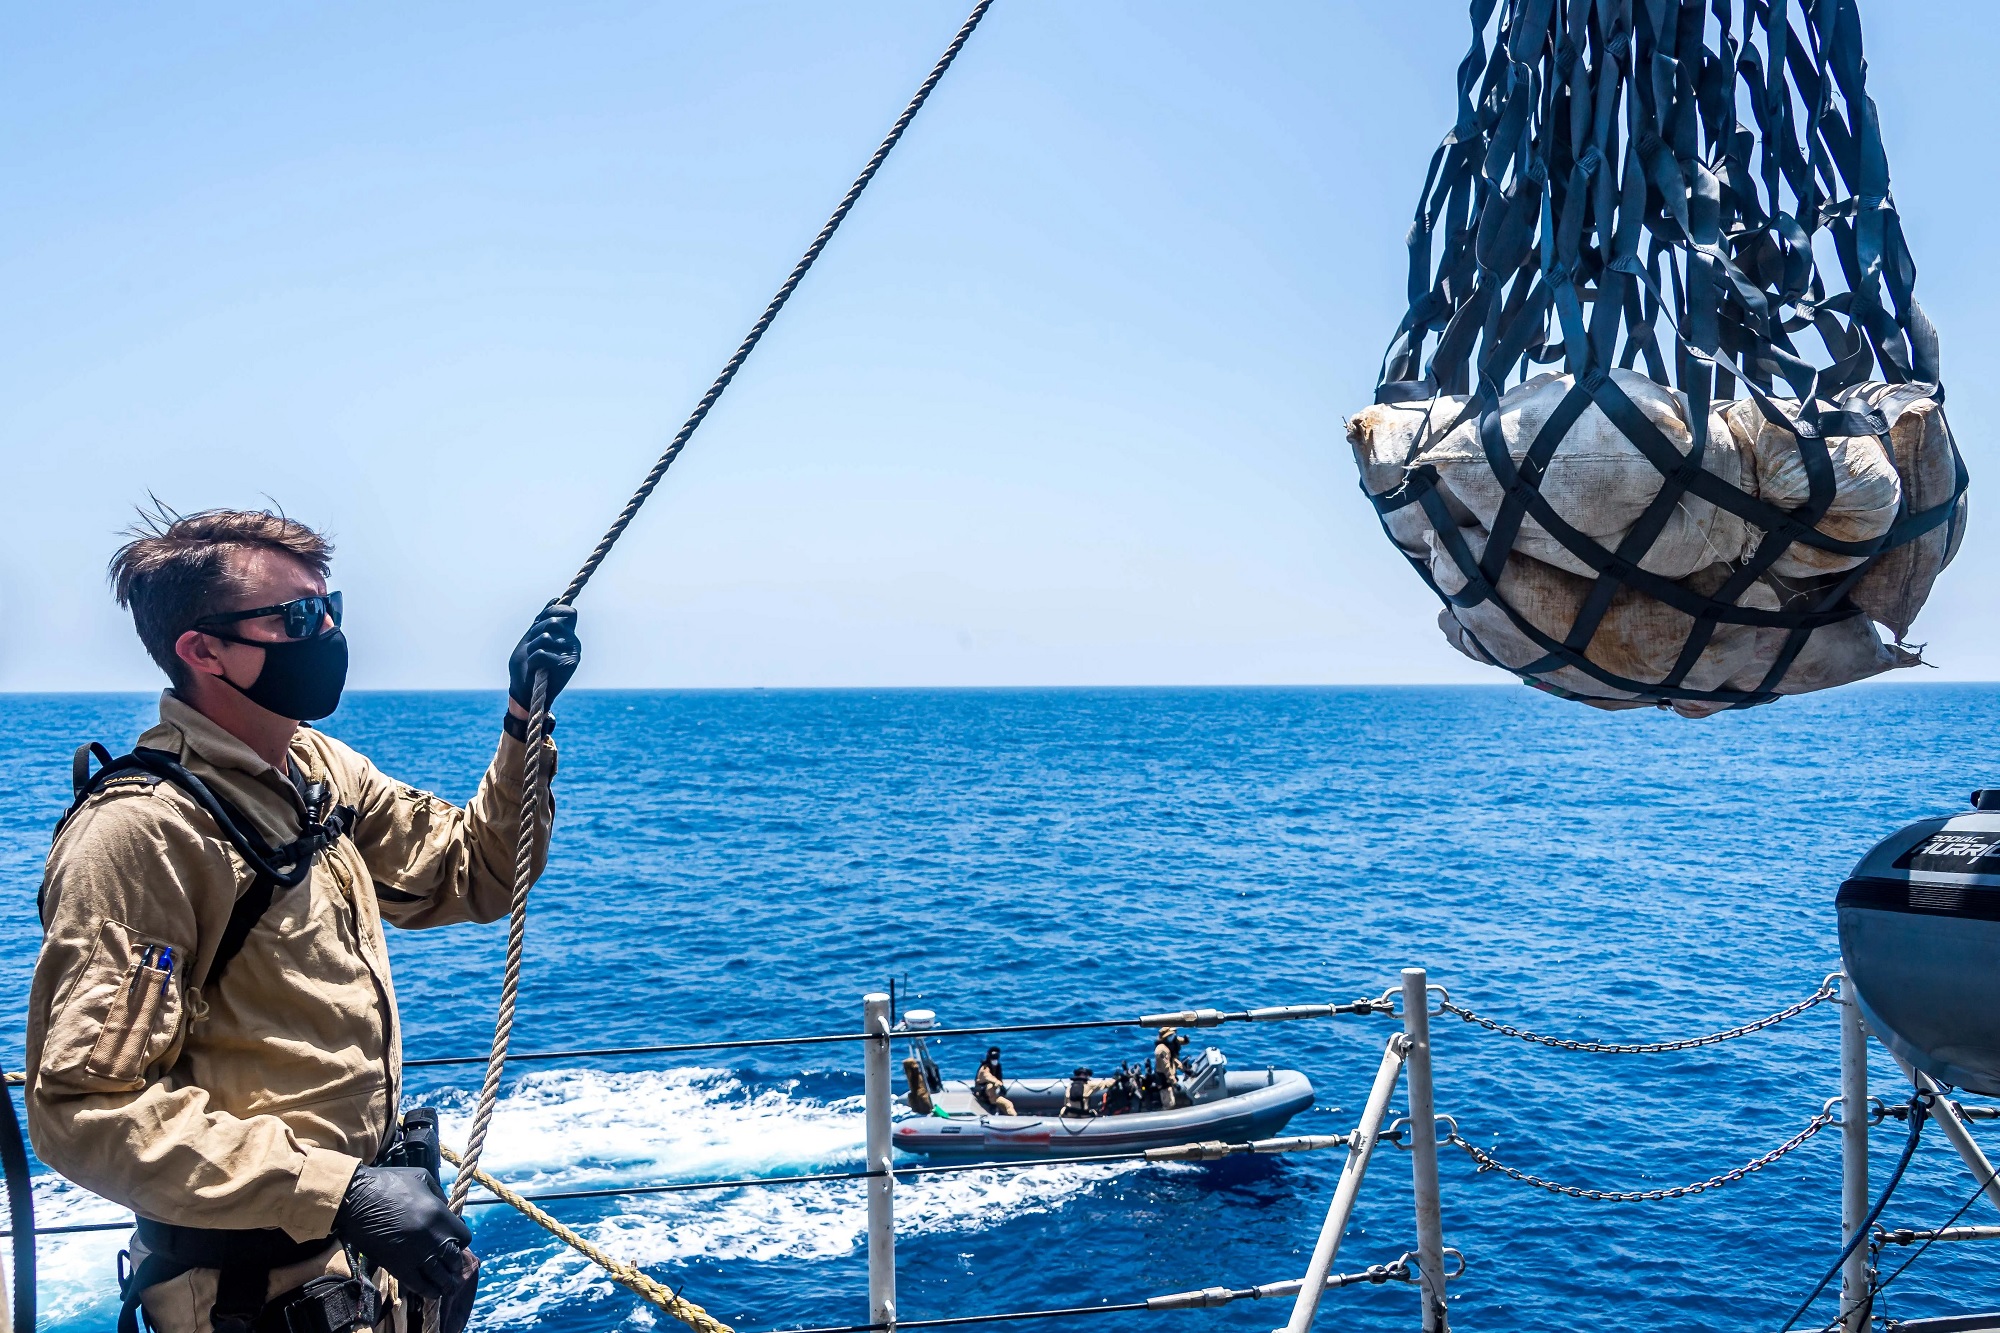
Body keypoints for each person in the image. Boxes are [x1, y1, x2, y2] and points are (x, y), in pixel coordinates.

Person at [25, 507, 582, 1333]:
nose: (324, 631)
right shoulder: (144, 832)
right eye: (294, 618)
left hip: (365, 1271)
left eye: (329, 608)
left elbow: (478, 871)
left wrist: (522, 718)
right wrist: (341, 1189)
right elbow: (88, 1110)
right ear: (202, 649)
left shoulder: (319, 768)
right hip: (253, 1294)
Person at [1153, 1027, 1189, 1110]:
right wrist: (1174, 1081)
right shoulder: (1162, 1050)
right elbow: (1166, 1068)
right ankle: (1164, 1115)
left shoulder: (1170, 1043)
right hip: (1164, 1077)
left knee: (1171, 1094)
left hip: (1170, 1073)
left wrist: (1185, 1040)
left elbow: (1174, 1060)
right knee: (1169, 1102)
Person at [972, 1047, 1016, 1116]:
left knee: (1003, 1106)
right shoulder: (985, 1068)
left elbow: (998, 1078)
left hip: (992, 1093)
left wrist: (1000, 1086)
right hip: (984, 1094)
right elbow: (988, 1077)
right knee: (1008, 1104)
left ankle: (1008, 1117)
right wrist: (999, 1084)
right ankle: (1014, 1118)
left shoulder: (997, 1067)